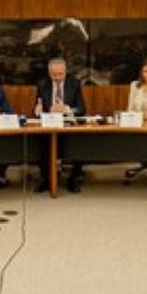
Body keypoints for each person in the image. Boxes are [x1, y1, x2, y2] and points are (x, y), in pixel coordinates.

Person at [34, 57, 87, 192]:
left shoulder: (74, 84)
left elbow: (82, 109)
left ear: (65, 72)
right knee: (40, 142)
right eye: (54, 75)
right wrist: (37, 111)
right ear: (49, 73)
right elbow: (37, 108)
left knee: (80, 142)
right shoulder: (42, 84)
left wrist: (66, 109)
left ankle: (73, 179)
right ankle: (46, 179)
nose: (57, 78)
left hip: (68, 125)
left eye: (60, 74)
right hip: (49, 125)